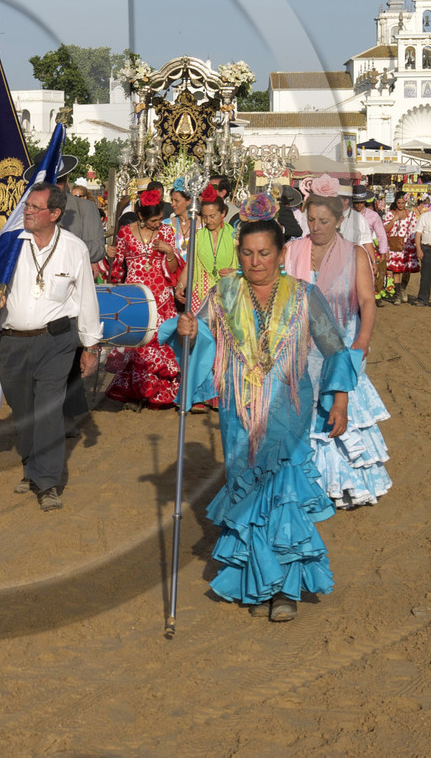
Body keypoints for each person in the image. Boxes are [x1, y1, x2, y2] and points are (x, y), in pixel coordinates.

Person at [175, 195, 357, 622]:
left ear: (280, 254)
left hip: (287, 408)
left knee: (283, 495)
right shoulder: (222, 293)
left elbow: (334, 349)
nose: (255, 261)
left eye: (264, 253)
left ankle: (285, 590)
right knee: (249, 492)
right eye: (247, 253)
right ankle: (257, 580)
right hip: (238, 410)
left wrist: (341, 400)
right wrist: (186, 330)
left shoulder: (304, 295)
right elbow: (198, 339)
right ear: (238, 253)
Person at [0, 183, 100, 512]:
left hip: (56, 341)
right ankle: (31, 467)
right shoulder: (10, 244)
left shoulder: (74, 249)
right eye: (27, 206)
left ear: (55, 213)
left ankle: (47, 482)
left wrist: (90, 345)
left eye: (35, 207)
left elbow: (86, 298)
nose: (28, 211)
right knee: (23, 411)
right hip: (12, 342)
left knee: (49, 408)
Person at [286, 186, 391, 508]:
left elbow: (366, 301)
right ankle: (307, 484)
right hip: (301, 343)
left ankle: (344, 484)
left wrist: (363, 340)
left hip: (342, 341)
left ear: (338, 220)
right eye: (312, 220)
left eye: (323, 221)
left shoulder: (355, 254)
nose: (316, 227)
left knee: (341, 407)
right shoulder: (292, 250)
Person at [104, 188, 181, 409]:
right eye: (154, 220)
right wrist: (109, 256)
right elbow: (117, 268)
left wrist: (169, 252)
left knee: (159, 343)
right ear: (141, 216)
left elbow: (173, 269)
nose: (158, 224)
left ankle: (158, 392)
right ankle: (138, 391)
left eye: (160, 219)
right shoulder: (125, 233)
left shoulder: (167, 233)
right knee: (137, 346)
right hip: (135, 298)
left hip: (161, 298)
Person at [171, 183, 234, 411]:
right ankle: (199, 395)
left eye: (213, 216)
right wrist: (181, 283)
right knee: (200, 343)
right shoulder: (198, 235)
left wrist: (237, 272)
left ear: (224, 214)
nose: (208, 221)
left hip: (228, 296)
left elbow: (248, 264)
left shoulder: (235, 235)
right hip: (200, 294)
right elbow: (190, 264)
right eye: (205, 217)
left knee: (224, 346)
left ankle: (221, 395)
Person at [383, 194, 420, 299]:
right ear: (396, 202)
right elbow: (385, 229)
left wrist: (414, 243)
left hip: (407, 245)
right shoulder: (390, 214)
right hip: (395, 245)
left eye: (402, 203)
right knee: (396, 270)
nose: (400, 205)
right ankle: (398, 293)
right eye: (399, 203)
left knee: (407, 270)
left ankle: (403, 288)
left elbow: (414, 230)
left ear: (406, 203)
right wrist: (394, 219)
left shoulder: (411, 214)